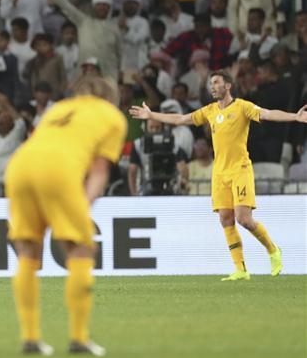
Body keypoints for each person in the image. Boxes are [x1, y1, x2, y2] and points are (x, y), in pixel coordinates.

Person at [130, 71, 307, 281]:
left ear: (228, 85)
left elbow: (268, 113)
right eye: (210, 84)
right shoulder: (210, 111)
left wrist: (295, 116)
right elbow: (180, 119)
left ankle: (273, 250)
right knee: (225, 219)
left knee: (244, 219)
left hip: (240, 169)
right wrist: (152, 115)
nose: (212, 87)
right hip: (220, 172)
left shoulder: (243, 107)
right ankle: (240, 269)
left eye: (216, 83)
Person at [6, 76, 127, 356]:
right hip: (58, 170)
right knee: (81, 249)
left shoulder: (58, 108)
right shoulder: (112, 116)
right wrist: (84, 205)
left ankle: (30, 338)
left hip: (19, 167)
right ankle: (79, 338)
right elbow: (99, 171)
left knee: (28, 251)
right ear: (110, 96)